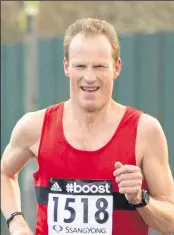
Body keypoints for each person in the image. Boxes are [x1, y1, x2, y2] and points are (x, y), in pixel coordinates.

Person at [1, 18, 174, 235]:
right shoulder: (34, 127)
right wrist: (16, 222)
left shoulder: (145, 131)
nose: (90, 77)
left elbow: (171, 223)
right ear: (66, 67)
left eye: (100, 66)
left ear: (116, 68)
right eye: (80, 66)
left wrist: (141, 199)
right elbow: (5, 173)